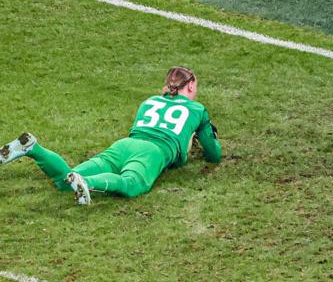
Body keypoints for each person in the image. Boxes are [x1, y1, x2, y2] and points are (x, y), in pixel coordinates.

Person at [0, 67, 221, 205]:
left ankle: (33, 149)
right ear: (190, 85)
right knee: (131, 184)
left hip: (125, 145)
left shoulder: (149, 101)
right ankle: (86, 183)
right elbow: (213, 154)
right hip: (152, 152)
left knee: (64, 180)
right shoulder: (197, 109)